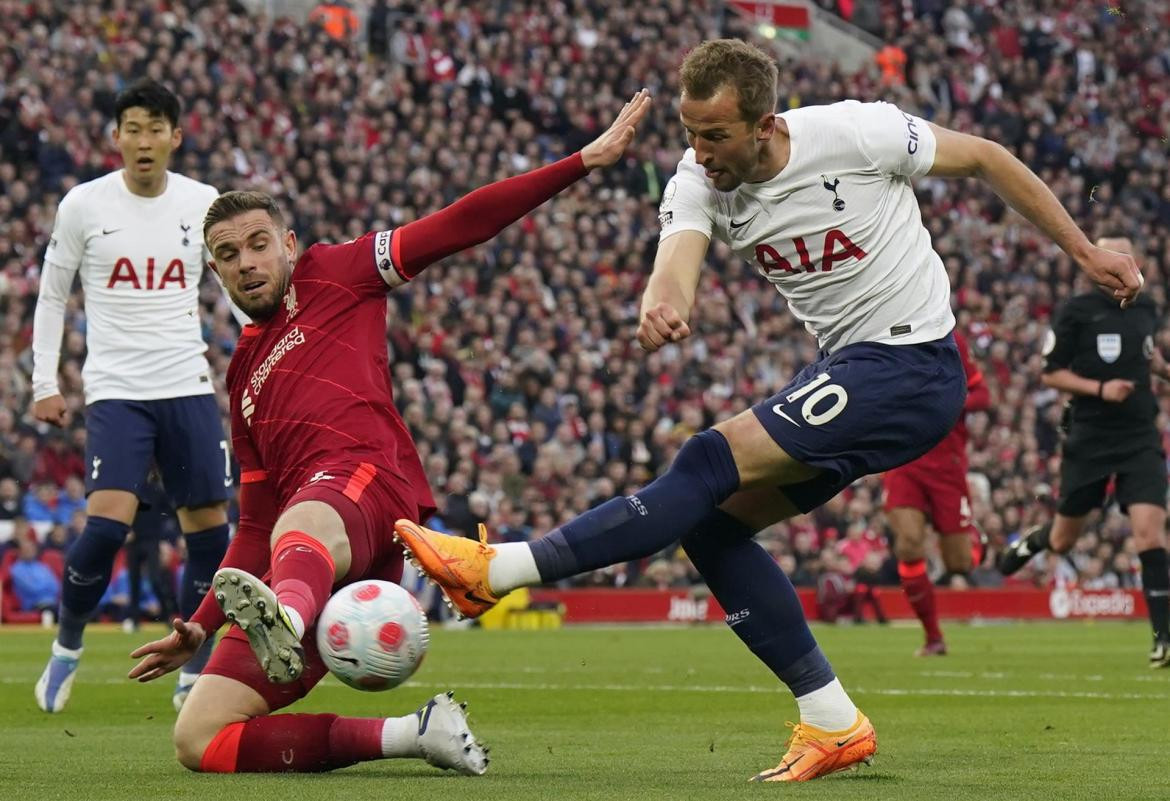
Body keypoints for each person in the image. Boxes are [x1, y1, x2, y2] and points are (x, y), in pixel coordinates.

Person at [391, 38, 1142, 783]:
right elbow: (676, 261)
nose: (700, 150)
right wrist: (662, 302)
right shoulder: (696, 180)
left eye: (715, 134)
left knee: (706, 460)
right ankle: (832, 720)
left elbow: (985, 156)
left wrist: (1081, 252)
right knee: (714, 529)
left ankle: (498, 568)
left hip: (913, 361)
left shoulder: (855, 132)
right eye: (690, 132)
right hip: (855, 369)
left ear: (766, 124)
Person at [126, 91, 651, 775]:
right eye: (228, 253)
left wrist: (583, 160)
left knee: (304, 511)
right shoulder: (242, 376)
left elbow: (459, 222)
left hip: (364, 491)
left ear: (287, 244)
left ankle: (285, 614)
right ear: (214, 269)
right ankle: (415, 731)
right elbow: (254, 527)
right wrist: (201, 622)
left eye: (259, 244)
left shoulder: (334, 272)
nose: (247, 261)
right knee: (200, 737)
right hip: (308, 554)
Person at [32, 79, 238, 713]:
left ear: (175, 137)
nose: (144, 140)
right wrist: (44, 382)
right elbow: (51, 294)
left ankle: (191, 666)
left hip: (187, 385)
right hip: (117, 391)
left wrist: (272, 355)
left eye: (156, 128)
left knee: (210, 532)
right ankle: (66, 648)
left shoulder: (205, 204)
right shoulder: (84, 206)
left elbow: (235, 289)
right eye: (133, 128)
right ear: (116, 137)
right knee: (106, 525)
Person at [998, 237, 1168, 667]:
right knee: (1063, 538)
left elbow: (1149, 356)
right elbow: (1050, 374)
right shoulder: (1076, 312)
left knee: (1149, 532)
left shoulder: (1146, 309)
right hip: (1090, 436)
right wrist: (1100, 389)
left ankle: (1163, 638)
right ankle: (1036, 540)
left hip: (1139, 435)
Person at [883, 329, 990, 656]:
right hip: (903, 456)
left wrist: (945, 404)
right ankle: (933, 637)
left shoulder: (949, 338)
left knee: (959, 563)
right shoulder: (880, 336)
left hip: (946, 463)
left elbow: (982, 395)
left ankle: (974, 536)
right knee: (909, 544)